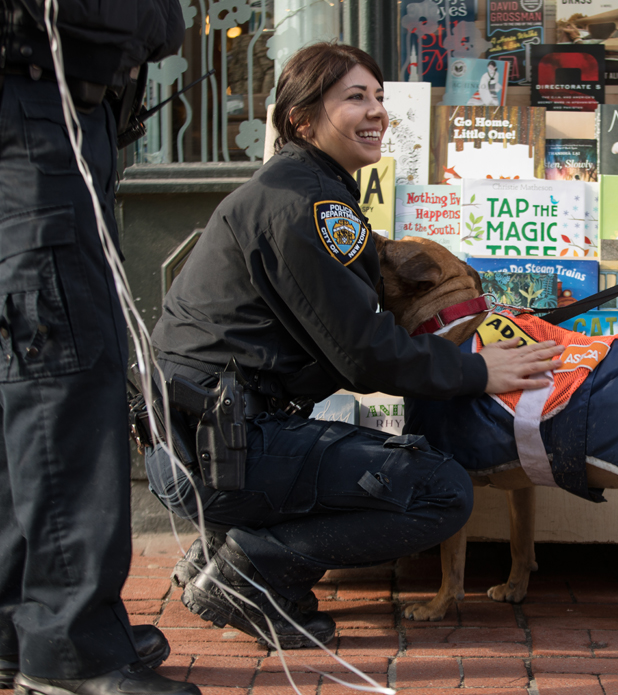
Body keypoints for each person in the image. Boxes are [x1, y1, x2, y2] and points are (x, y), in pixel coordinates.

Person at [146, 42, 564, 649]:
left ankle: (224, 547)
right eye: (354, 98)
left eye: (379, 98)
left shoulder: (299, 189)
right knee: (440, 489)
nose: (376, 112)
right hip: (224, 449)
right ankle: (250, 572)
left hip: (202, 443)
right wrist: (477, 371)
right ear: (301, 119)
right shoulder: (307, 205)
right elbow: (362, 353)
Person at [0, 1, 200, 694]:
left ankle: (21, 621)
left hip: (53, 111)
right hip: (37, 110)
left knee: (29, 368)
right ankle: (69, 642)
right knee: (65, 373)